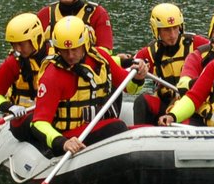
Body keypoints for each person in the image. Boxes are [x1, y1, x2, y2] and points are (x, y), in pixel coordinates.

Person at [28, 16, 146, 156]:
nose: (70, 56)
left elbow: (131, 89)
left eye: (75, 49)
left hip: (95, 127)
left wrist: (138, 78)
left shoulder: (101, 58)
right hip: (70, 136)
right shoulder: (52, 75)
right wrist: (62, 142)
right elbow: (38, 123)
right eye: (65, 51)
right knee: (117, 127)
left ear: (84, 44)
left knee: (133, 126)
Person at [129, 2, 211, 123]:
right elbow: (131, 89)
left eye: (175, 28)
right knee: (141, 101)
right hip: (165, 103)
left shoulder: (198, 44)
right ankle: (141, 137)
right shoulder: (148, 53)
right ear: (156, 30)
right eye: (166, 30)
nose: (172, 35)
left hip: (191, 104)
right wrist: (137, 78)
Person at [0, 13, 51, 130]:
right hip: (22, 119)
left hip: (51, 116)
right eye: (14, 44)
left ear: (35, 38)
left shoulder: (57, 55)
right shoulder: (13, 63)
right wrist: (10, 107)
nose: (17, 49)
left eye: (21, 44)